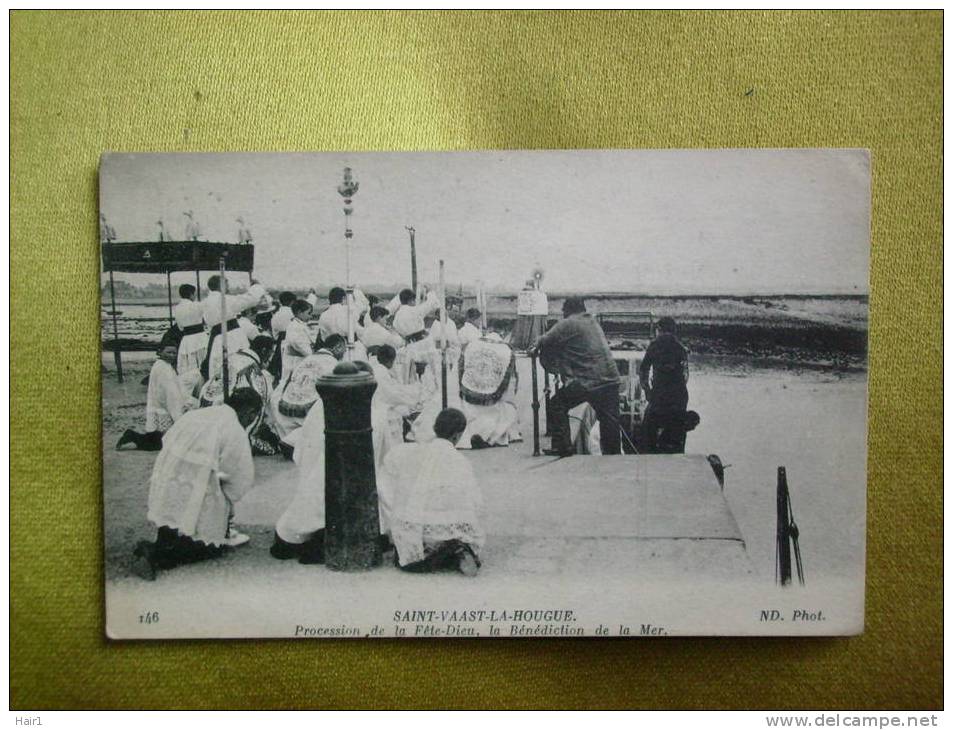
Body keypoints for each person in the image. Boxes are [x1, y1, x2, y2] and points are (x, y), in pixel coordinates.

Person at [131, 388, 262, 580]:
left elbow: (167, 438)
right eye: (253, 417)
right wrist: (226, 506)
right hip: (189, 488)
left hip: (167, 480)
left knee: (174, 519)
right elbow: (237, 478)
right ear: (250, 413)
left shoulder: (198, 413)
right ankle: (154, 554)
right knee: (211, 548)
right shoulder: (234, 428)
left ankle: (160, 544)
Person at [378, 408, 483, 576]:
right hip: (447, 529)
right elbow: (476, 503)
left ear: (435, 428)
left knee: (406, 556)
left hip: (415, 534)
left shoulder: (411, 452)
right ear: (457, 436)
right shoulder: (461, 461)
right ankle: (457, 550)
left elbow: (387, 480)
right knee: (461, 533)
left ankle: (432, 553)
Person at [533, 296, 621, 456]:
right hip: (611, 379)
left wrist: (536, 345)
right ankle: (613, 456)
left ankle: (563, 447)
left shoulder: (569, 322)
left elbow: (544, 340)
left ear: (567, 310)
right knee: (609, 421)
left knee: (556, 404)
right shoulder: (592, 321)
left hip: (589, 381)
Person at [199, 335, 281, 455]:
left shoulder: (233, 357)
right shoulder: (252, 368)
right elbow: (259, 403)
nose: (270, 357)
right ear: (264, 351)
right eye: (271, 352)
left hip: (207, 410)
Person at [271, 334, 345, 453]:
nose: (343, 355)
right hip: (308, 413)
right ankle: (294, 441)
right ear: (337, 348)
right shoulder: (333, 364)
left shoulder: (306, 360)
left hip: (285, 410)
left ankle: (292, 439)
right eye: (344, 350)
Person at [116, 339, 192, 451]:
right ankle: (132, 435)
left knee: (156, 442)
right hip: (163, 409)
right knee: (158, 445)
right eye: (169, 352)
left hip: (158, 407)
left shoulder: (161, 365)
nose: (172, 355)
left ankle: (133, 435)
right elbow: (170, 394)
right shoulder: (164, 369)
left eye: (174, 353)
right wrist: (178, 416)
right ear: (160, 352)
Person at [457, 332, 522, 449]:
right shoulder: (506, 351)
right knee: (507, 410)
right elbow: (511, 388)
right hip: (492, 404)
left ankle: (471, 435)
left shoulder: (472, 345)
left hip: (469, 399)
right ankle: (490, 437)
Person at [639, 316, 692, 453]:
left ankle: (650, 457)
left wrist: (647, 390)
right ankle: (676, 455)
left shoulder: (655, 345)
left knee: (648, 429)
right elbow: (685, 375)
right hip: (679, 397)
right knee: (677, 432)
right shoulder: (681, 348)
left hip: (659, 396)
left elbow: (643, 370)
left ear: (659, 330)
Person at [200, 275, 268, 380]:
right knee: (239, 364)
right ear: (221, 285)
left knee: (219, 366)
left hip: (216, 338)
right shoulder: (224, 299)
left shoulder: (205, 302)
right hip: (231, 336)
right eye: (226, 284)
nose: (228, 288)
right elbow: (251, 300)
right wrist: (256, 286)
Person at [370, 345, 422, 469]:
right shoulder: (382, 373)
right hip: (384, 412)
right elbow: (392, 394)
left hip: (379, 409)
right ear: (391, 360)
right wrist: (412, 400)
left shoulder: (378, 370)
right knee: (391, 449)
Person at [392, 287, 440, 380]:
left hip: (410, 345)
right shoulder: (414, 311)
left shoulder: (397, 316)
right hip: (423, 344)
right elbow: (431, 303)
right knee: (432, 372)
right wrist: (430, 292)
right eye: (414, 301)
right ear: (411, 301)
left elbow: (397, 329)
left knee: (410, 374)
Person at [173, 284, 206, 381]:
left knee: (188, 365)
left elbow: (180, 328)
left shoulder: (177, 308)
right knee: (201, 362)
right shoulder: (197, 305)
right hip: (200, 338)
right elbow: (206, 319)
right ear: (191, 294)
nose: (195, 296)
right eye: (194, 294)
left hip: (186, 340)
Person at [280, 299, 314, 384]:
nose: (310, 316)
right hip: (294, 363)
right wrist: (313, 355)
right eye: (308, 313)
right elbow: (299, 345)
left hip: (299, 362)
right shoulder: (294, 327)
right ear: (299, 312)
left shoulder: (299, 325)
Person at [511, 278, 549, 351]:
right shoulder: (539, 294)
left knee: (527, 327)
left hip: (527, 312)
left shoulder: (524, 293)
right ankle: (531, 344)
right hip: (532, 313)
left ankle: (525, 343)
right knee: (534, 328)